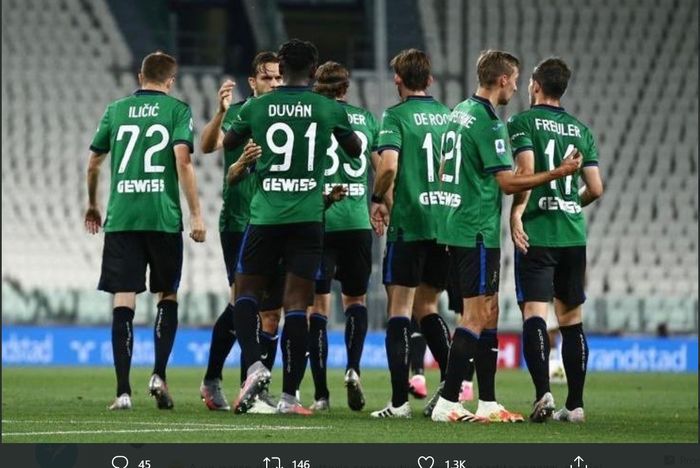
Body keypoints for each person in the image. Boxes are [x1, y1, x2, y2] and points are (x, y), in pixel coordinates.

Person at [430, 50, 582, 423]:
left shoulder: (459, 112)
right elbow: (508, 181)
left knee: (490, 311)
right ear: (502, 80)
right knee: (476, 314)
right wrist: (557, 173)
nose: (517, 86)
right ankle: (449, 400)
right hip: (476, 230)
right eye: (514, 79)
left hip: (458, 224)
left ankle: (488, 402)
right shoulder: (487, 123)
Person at [222, 39, 362, 415]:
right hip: (308, 218)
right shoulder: (329, 107)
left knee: (245, 294)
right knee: (298, 306)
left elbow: (229, 141)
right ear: (314, 72)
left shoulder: (255, 105)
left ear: (280, 70)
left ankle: (254, 366)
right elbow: (354, 150)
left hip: (266, 216)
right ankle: (288, 398)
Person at [85, 51, 206, 410]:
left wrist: (92, 203)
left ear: (140, 75)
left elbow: (93, 162)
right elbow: (182, 160)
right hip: (163, 218)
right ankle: (158, 374)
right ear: (170, 80)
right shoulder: (178, 111)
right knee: (166, 295)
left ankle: (123, 391)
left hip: (122, 218)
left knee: (123, 299)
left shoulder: (115, 110)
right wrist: (197, 214)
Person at [508, 57, 603, 423]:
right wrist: (569, 204)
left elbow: (526, 171)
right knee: (572, 320)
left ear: (534, 84)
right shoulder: (581, 130)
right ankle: (575, 405)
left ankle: (542, 395)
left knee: (535, 313)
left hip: (538, 233)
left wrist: (517, 211)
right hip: (572, 235)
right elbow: (595, 188)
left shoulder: (521, 121)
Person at [368, 48, 453, 419]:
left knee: (400, 311)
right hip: (444, 223)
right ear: (430, 80)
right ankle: (451, 392)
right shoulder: (449, 117)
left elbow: (388, 168)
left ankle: (399, 403)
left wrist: (377, 198)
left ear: (397, 80)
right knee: (429, 307)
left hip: (410, 222)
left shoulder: (395, 116)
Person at [198, 52, 283, 414]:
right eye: (268, 78)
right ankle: (225, 378)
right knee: (241, 301)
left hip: (277, 222)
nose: (275, 84)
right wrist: (220, 112)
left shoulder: (287, 116)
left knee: (271, 312)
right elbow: (205, 146)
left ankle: (246, 386)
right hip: (238, 222)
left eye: (279, 78)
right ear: (253, 82)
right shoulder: (240, 113)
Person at [306, 61, 380, 412]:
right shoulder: (366, 120)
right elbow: (383, 168)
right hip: (356, 222)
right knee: (356, 302)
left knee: (317, 308)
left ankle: (321, 394)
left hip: (318, 222)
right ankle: (352, 367)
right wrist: (383, 205)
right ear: (346, 88)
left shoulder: (311, 117)